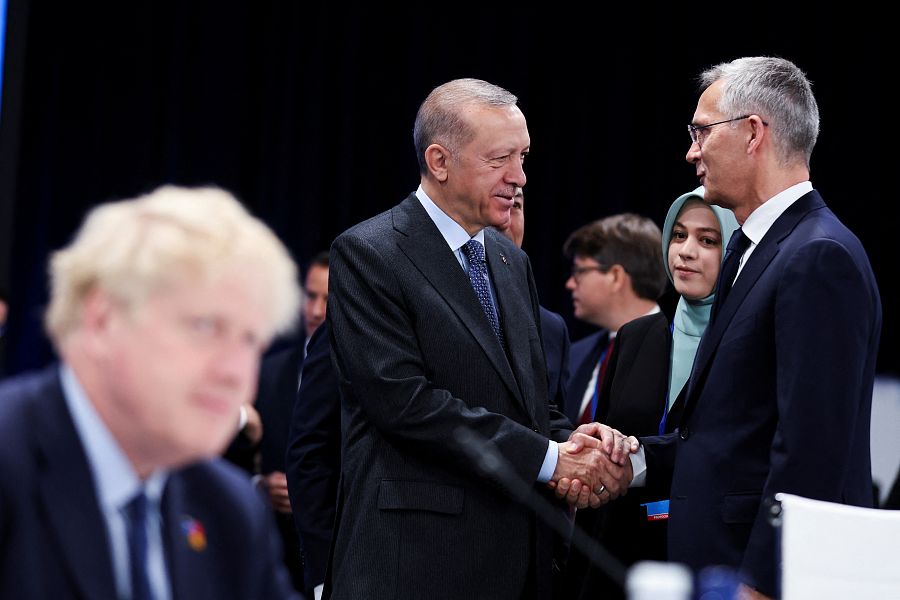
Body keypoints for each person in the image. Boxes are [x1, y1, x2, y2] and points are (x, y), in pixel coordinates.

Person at [325, 78, 629, 600]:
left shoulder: (511, 261)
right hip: (413, 568)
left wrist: (582, 440)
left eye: (524, 156)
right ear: (439, 161)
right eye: (499, 159)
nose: (520, 177)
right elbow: (407, 404)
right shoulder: (369, 253)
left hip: (516, 567)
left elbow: (528, 402)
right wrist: (554, 460)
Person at [617, 57, 881, 599]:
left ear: (753, 133)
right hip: (717, 565)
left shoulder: (817, 255)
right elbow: (729, 431)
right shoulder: (748, 248)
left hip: (764, 577)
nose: (691, 151)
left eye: (701, 131)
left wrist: (762, 583)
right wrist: (633, 460)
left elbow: (813, 450)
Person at [0, 185, 303, 599]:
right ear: (102, 319)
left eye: (251, 340)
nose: (235, 371)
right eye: (205, 327)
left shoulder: (228, 509)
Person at [563, 187, 738, 600]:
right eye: (678, 236)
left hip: (704, 560)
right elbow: (602, 447)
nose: (686, 251)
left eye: (707, 240)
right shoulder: (635, 337)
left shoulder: (744, 341)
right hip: (618, 558)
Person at [229, 252, 331, 593]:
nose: (316, 311)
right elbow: (228, 459)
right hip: (268, 561)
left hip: (333, 565)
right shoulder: (264, 372)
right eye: (310, 296)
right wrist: (259, 486)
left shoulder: (363, 380)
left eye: (328, 300)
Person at [563, 215, 667, 426]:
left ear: (616, 276)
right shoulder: (574, 355)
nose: (570, 284)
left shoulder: (678, 348)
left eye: (580, 271)